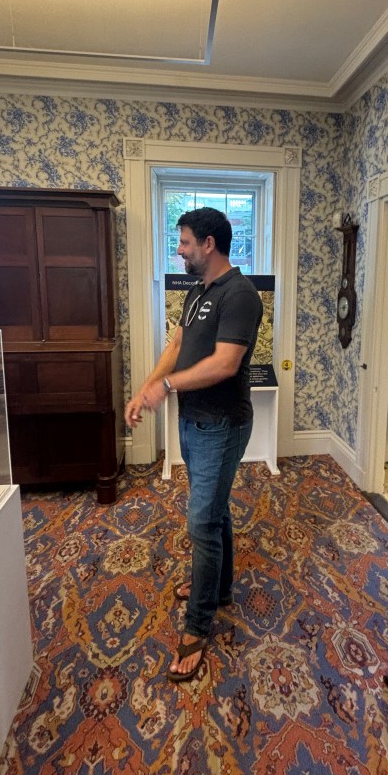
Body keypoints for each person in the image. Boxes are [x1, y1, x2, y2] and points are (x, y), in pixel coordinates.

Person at [125, 207, 263, 682]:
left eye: (184, 241)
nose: (179, 250)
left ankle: (198, 625)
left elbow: (225, 363)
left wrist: (166, 387)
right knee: (215, 513)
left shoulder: (240, 294)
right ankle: (219, 589)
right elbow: (176, 346)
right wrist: (146, 387)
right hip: (193, 423)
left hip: (221, 426)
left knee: (202, 523)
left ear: (208, 243)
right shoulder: (196, 291)